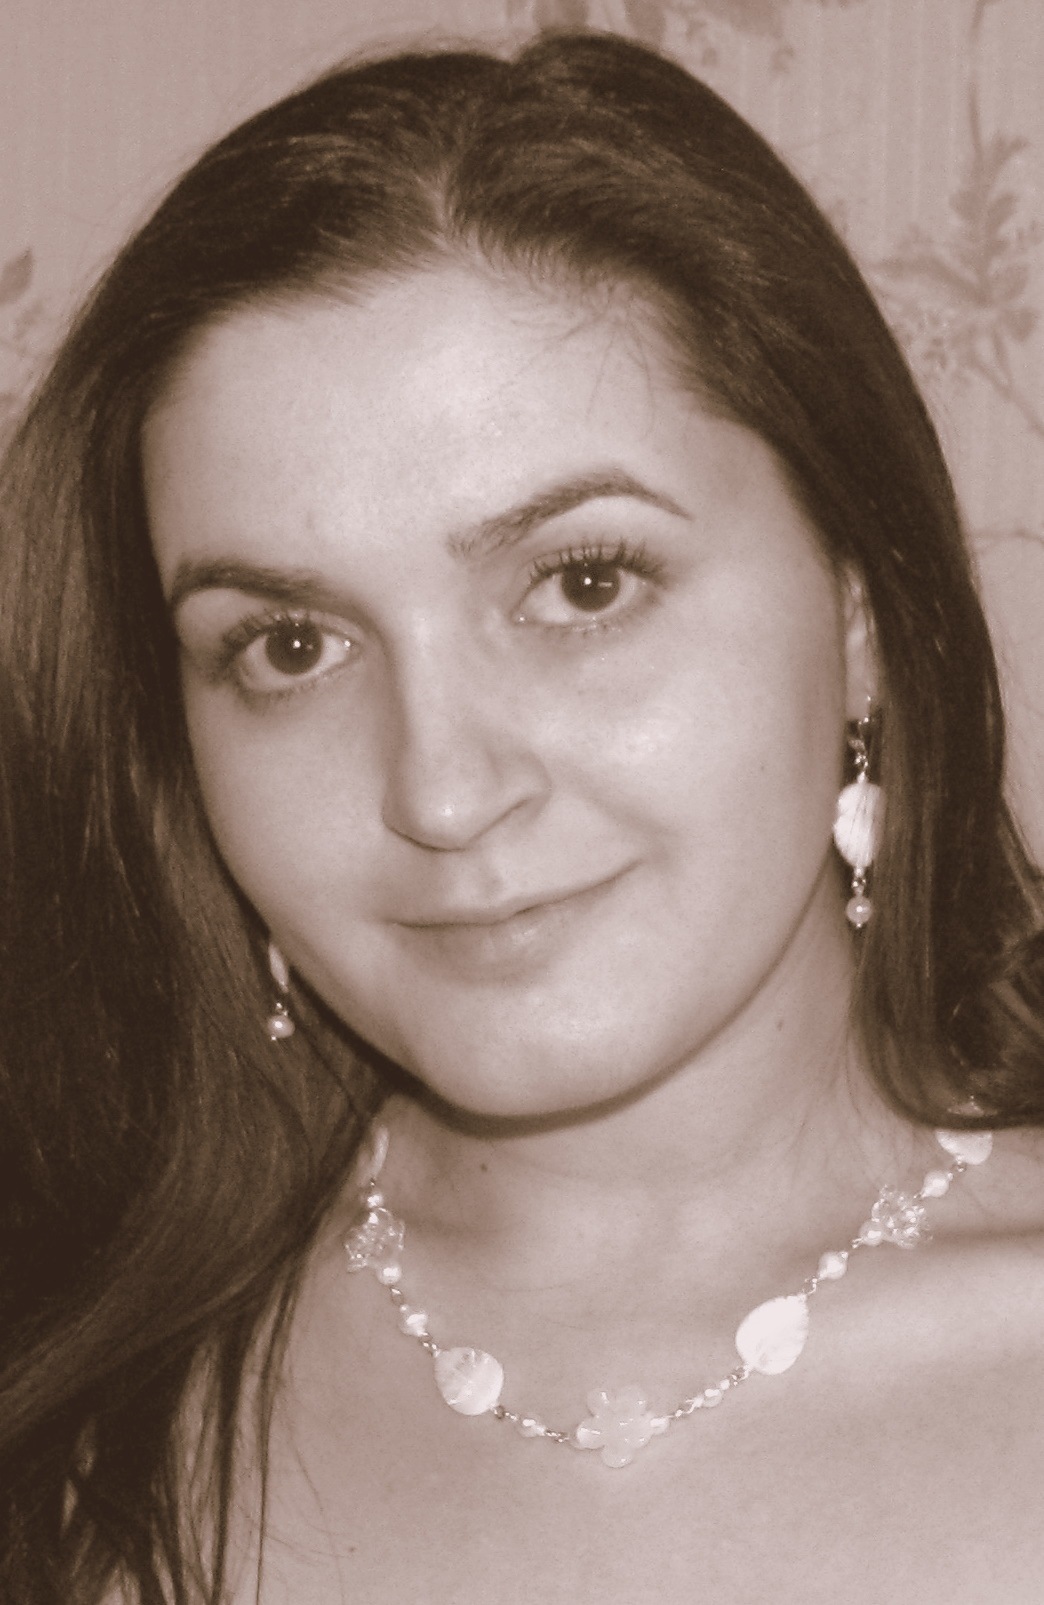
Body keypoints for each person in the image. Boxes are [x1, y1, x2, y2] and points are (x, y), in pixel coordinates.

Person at [2, 26, 1043, 1604]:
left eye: (584, 582)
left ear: (857, 609)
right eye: (290, 646)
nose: (439, 788)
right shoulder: (69, 1401)